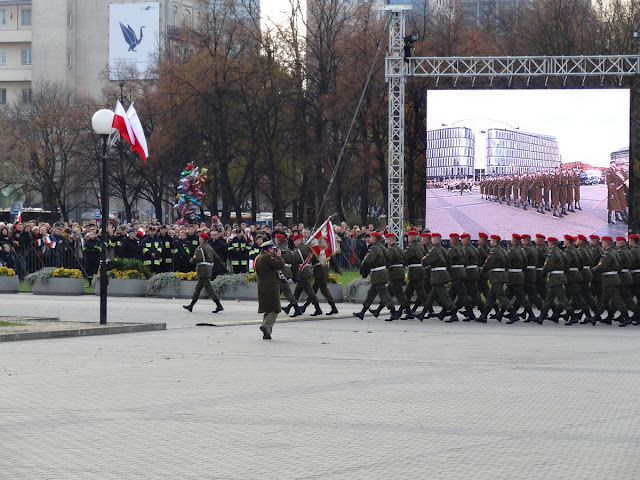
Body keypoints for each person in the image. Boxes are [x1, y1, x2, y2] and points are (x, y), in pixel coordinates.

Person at [352, 231, 400, 321]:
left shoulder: (374, 248)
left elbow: (370, 260)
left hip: (378, 274)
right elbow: (389, 257)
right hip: (380, 273)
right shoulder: (382, 247)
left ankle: (393, 312)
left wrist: (364, 264)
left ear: (374, 239)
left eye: (371, 237)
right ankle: (362, 312)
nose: (370, 239)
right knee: (371, 294)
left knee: (384, 294)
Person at [182, 232, 225, 314]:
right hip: (208, 269)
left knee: (208, 288)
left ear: (202, 239)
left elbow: (196, 258)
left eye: (200, 238)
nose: (199, 239)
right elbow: (217, 258)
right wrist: (223, 267)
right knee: (198, 288)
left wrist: (191, 260)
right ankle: (191, 305)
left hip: (202, 269)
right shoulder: (209, 247)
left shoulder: (200, 248)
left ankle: (218, 304)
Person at [255, 240, 285, 340]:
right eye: (272, 248)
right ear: (268, 249)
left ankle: (267, 333)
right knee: (275, 308)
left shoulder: (258, 257)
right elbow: (280, 265)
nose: (274, 250)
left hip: (262, 285)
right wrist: (279, 256)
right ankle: (266, 326)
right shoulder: (268, 257)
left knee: (267, 309)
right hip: (271, 285)